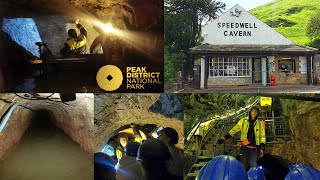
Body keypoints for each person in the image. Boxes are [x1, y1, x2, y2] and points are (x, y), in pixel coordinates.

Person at [217, 106, 266, 171]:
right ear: (250, 112)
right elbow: (234, 130)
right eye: (253, 111)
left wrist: (262, 148)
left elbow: (262, 136)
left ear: (257, 114)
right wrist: (225, 137)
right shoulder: (243, 121)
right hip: (244, 147)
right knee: (243, 166)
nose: (254, 113)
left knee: (253, 168)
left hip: (254, 148)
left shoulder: (259, 124)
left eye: (256, 112)